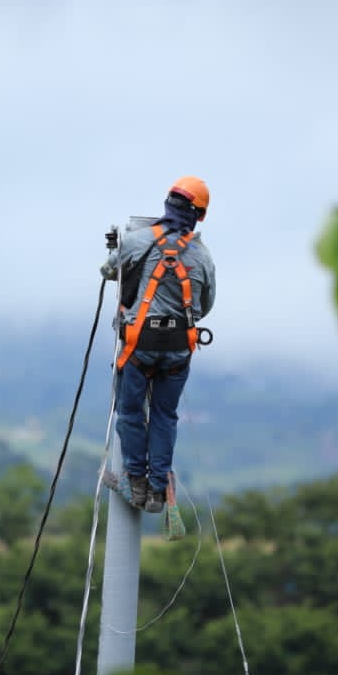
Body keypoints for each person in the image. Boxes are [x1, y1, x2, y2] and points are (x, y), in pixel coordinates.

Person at [100, 176, 216, 513]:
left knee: (132, 412)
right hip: (179, 349)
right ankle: (156, 488)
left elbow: (108, 271)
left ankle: (134, 481)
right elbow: (204, 306)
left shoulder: (138, 241)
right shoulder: (202, 255)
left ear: (167, 204)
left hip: (140, 346)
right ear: (200, 215)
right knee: (165, 415)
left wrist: (119, 251)